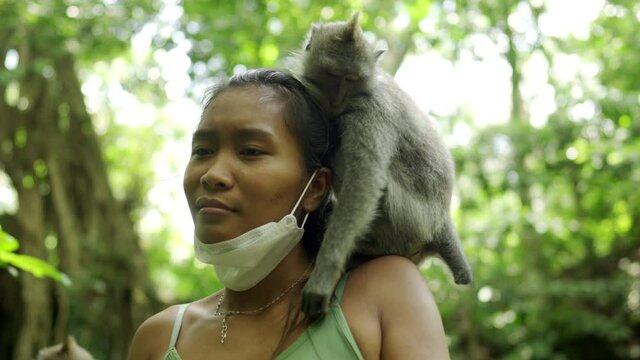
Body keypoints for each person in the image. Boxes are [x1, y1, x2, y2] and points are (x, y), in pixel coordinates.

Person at [127, 69, 450, 359]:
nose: (212, 174)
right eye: (202, 151)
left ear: (315, 188)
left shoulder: (384, 293)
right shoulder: (159, 337)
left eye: (250, 151)